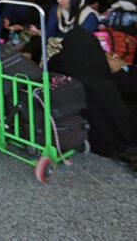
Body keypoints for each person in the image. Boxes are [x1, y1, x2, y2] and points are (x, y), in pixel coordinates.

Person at [48, 28, 137, 170]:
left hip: (74, 127)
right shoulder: (103, 85)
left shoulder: (57, 65)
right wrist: (122, 70)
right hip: (117, 135)